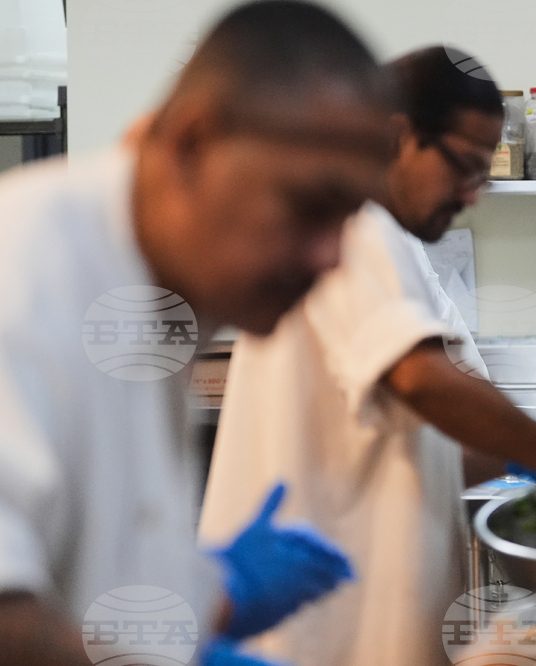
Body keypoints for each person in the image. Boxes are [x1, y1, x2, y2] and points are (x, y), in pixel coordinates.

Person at [198, 46, 536, 666]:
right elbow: (421, 379)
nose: (473, 194)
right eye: (464, 168)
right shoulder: (355, 223)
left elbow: (422, 428)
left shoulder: (397, 243)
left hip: (368, 612)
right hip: (314, 623)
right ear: (398, 136)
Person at [0, 2, 395, 665]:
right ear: (190, 144)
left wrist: (213, 591)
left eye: (349, 219)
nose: (332, 258)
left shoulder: (159, 295)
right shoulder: (29, 270)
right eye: (308, 207)